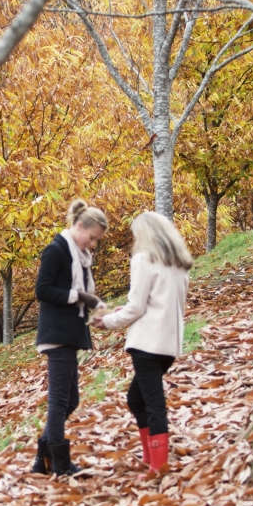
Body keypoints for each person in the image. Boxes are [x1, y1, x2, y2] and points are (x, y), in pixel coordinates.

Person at [92, 211, 192, 473]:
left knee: (153, 402)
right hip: (168, 344)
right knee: (136, 400)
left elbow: (136, 307)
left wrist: (109, 322)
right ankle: (151, 458)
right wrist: (119, 314)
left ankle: (158, 466)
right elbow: (158, 303)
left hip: (147, 342)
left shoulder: (143, 259)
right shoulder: (179, 264)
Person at [32, 198, 108, 477]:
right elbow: (42, 290)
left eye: (96, 240)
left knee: (71, 400)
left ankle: (43, 461)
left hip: (71, 332)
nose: (92, 243)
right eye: (91, 237)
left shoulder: (80, 257)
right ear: (78, 226)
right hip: (56, 333)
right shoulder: (56, 251)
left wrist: (94, 306)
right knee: (59, 401)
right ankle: (60, 464)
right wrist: (80, 296)